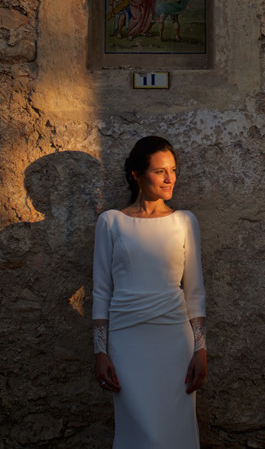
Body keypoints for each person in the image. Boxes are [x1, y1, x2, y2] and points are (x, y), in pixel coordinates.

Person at [92, 136, 207, 448]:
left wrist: (200, 348)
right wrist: (100, 351)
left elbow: (195, 291)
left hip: (175, 341)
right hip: (126, 342)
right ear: (136, 175)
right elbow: (101, 291)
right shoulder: (111, 223)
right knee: (142, 434)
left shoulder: (185, 222)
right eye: (160, 171)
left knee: (173, 432)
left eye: (173, 170)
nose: (170, 179)